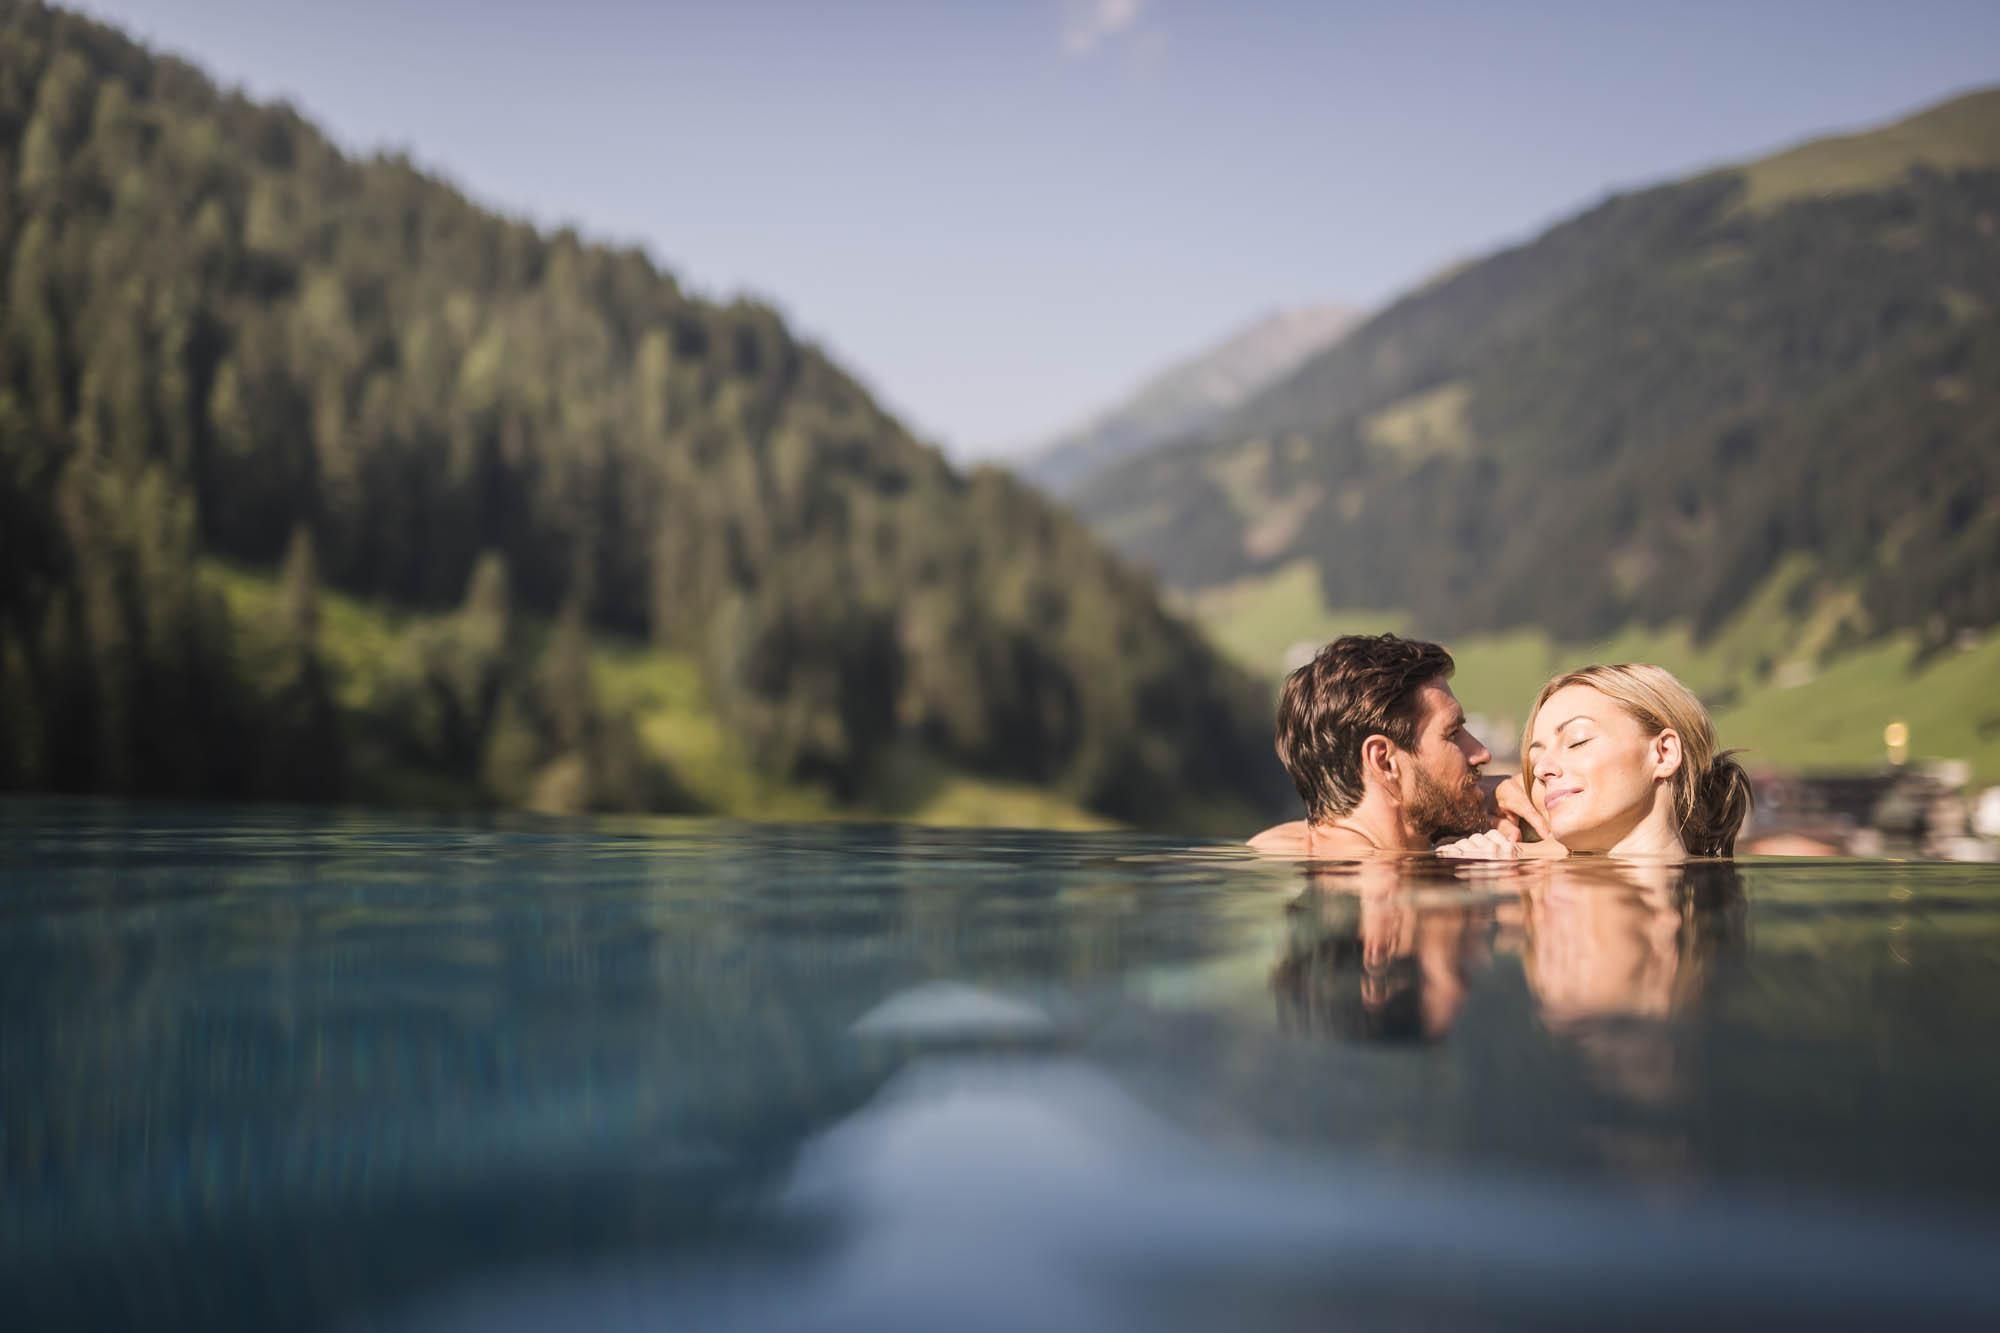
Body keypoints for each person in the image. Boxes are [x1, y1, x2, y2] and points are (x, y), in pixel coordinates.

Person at [1248, 634, 1543, 857]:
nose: (1482, 753)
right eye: (1452, 734)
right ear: (1384, 761)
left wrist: (1469, 797)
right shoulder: (1401, 887)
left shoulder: (1276, 848)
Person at [1438, 663, 1753, 861]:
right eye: (1534, 759)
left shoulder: (1717, 896)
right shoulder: (1500, 858)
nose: (1542, 770)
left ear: (1664, 753)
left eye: (1577, 740)